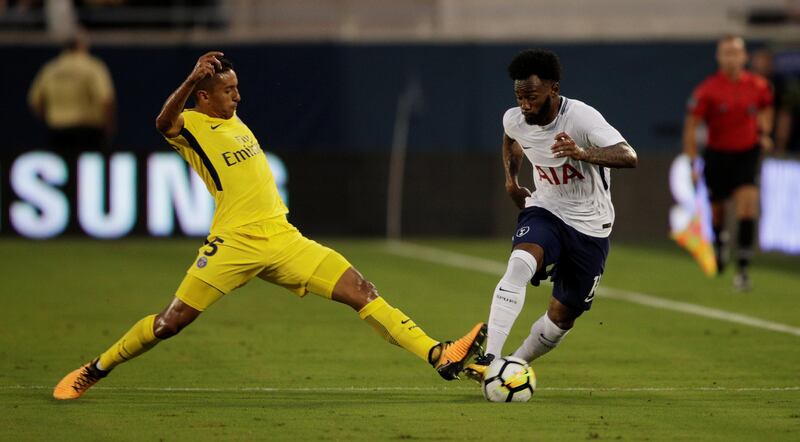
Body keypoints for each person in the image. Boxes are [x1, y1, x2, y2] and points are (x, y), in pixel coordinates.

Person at [53, 51, 486, 400]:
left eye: (237, 88)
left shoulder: (235, 121)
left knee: (362, 291)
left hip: (283, 239)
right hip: (234, 243)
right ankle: (95, 369)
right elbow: (163, 123)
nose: (237, 97)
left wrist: (214, 80)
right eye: (227, 90)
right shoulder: (194, 127)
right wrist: (189, 79)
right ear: (203, 97)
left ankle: (439, 355)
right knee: (170, 323)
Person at [463, 49, 637, 378]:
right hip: (546, 209)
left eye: (531, 96)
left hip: (590, 226)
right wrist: (511, 181)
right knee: (519, 263)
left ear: (553, 90)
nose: (525, 105)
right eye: (519, 97)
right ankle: (490, 359)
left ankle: (515, 363)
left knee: (561, 318)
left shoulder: (582, 118)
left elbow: (629, 156)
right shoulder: (514, 118)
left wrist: (583, 152)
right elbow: (511, 138)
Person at [682, 36, 774, 291]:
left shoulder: (759, 86)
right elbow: (691, 127)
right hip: (718, 155)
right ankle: (720, 243)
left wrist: (764, 133)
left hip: (747, 153)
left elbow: (767, 109)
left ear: (745, 56)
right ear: (719, 57)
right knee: (718, 210)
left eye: (736, 52)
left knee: (748, 206)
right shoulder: (707, 90)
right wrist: (692, 162)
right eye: (727, 53)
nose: (732, 57)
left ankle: (743, 269)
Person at [28, 30, 116, 153]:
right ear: (81, 45)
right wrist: (109, 126)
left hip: (57, 131)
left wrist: (49, 118)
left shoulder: (51, 69)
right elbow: (106, 99)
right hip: (87, 131)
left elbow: (36, 101)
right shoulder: (92, 67)